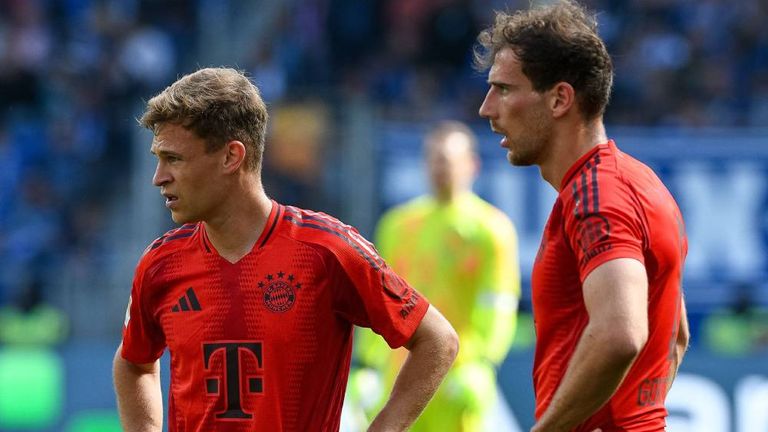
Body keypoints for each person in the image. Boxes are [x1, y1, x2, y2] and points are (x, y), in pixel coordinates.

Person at [112, 67, 459, 432]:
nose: (158, 177)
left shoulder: (326, 250)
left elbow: (437, 340)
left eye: (174, 159)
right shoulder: (161, 264)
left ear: (232, 157)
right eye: (158, 158)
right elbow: (133, 363)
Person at [475, 1, 690, 431]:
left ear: (559, 99)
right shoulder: (635, 181)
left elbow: (620, 334)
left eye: (503, 89)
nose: (487, 109)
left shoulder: (597, 196)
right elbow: (676, 334)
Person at [349, 121, 520, 431]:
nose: (441, 168)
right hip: (397, 377)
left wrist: (483, 364)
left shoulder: (491, 230)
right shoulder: (397, 224)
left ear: (472, 165)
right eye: (434, 159)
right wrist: (367, 364)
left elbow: (498, 304)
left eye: (449, 160)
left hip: (455, 381)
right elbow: (376, 300)